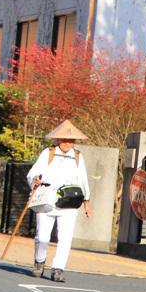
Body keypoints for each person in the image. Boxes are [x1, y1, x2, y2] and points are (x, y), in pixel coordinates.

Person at [26, 120, 92, 283]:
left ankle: (58, 269)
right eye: (64, 140)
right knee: (42, 237)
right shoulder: (47, 153)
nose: (67, 143)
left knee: (65, 237)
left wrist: (87, 202)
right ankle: (39, 261)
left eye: (71, 140)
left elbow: (83, 180)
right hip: (46, 199)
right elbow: (33, 173)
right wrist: (34, 180)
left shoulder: (77, 157)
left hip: (69, 202)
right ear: (57, 140)